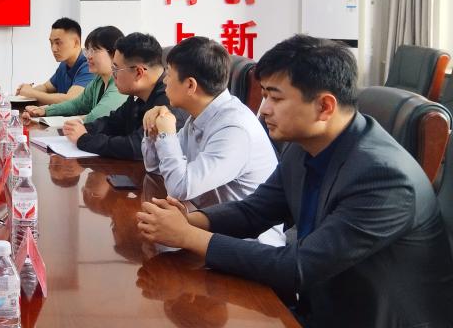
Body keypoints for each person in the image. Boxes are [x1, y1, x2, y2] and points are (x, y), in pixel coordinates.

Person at [136, 35, 453, 327]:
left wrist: (188, 236)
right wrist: (189, 220)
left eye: (275, 98)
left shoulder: (384, 178)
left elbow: (298, 266)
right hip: (319, 307)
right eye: (264, 95)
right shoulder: (306, 146)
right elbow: (255, 211)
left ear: (324, 106)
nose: (264, 110)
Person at [140, 36, 283, 246]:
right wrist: (154, 132)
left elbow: (180, 187)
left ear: (190, 85)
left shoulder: (234, 128)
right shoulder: (201, 115)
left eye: (168, 74)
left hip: (250, 245)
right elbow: (154, 168)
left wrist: (166, 135)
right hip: (209, 227)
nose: (164, 81)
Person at [63, 32, 187, 160]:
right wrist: (83, 128)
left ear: (138, 73)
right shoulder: (138, 94)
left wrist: (84, 139)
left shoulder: (170, 100)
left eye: (116, 69)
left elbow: (136, 147)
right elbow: (114, 122)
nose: (113, 75)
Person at [22, 25, 128, 123]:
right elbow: (77, 104)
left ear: (115, 53)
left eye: (94, 51)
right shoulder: (98, 80)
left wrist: (64, 121)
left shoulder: (120, 83)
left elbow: (97, 117)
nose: (88, 56)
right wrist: (46, 111)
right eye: (87, 51)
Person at [15, 17, 93, 105]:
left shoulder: (90, 65)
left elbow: (70, 100)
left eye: (58, 43)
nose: (53, 49)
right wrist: (26, 92)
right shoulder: (64, 64)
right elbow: (46, 87)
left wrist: (32, 93)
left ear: (76, 43)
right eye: (51, 43)